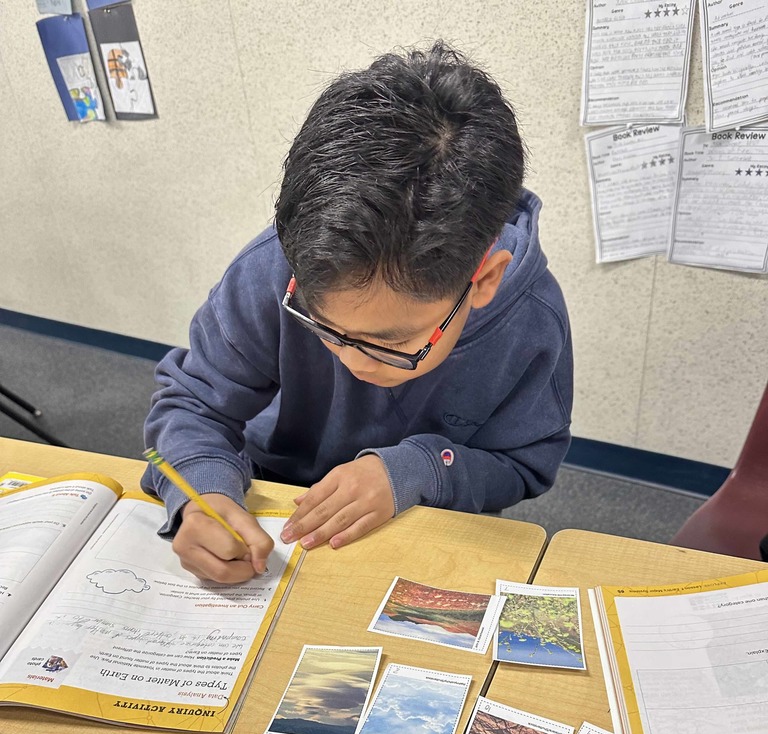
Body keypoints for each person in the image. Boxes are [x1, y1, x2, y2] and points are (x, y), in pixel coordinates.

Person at [142, 41, 573, 583]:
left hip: (430, 517)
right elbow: (192, 402)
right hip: (275, 497)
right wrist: (201, 490)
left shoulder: (530, 321)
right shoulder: (275, 268)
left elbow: (523, 465)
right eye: (323, 327)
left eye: (390, 343)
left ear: (482, 280)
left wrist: (419, 468)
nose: (353, 363)